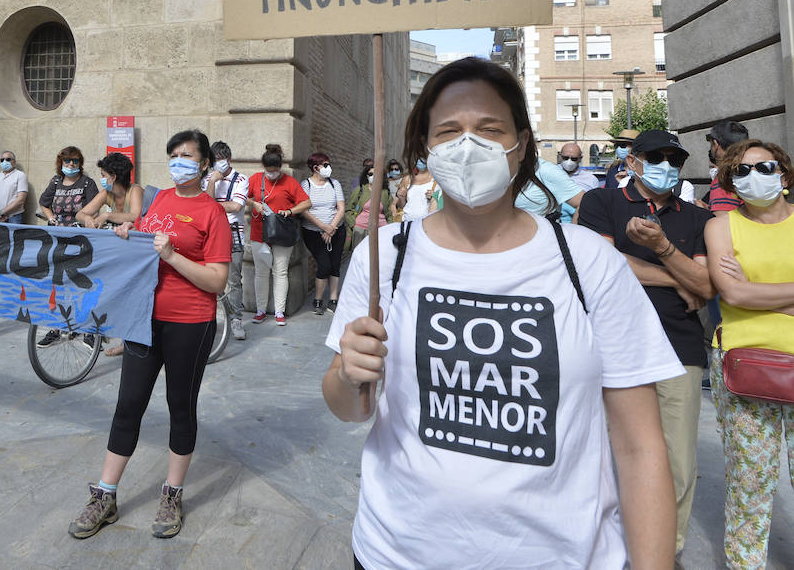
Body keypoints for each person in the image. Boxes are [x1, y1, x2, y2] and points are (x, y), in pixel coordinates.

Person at [324, 58, 681, 568]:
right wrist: (347, 373)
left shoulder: (587, 260)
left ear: (522, 146)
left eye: (489, 130)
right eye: (448, 132)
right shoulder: (384, 255)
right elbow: (348, 407)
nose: (468, 145)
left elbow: (640, 446)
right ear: (425, 149)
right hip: (395, 552)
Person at [68, 129, 230, 541]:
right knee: (128, 405)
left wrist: (173, 256)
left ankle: (172, 494)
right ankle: (105, 495)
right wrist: (127, 234)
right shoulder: (158, 201)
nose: (180, 162)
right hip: (143, 318)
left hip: (190, 323)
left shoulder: (212, 213)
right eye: (173, 154)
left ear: (205, 163)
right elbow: (140, 236)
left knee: (180, 406)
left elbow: (218, 281)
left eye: (188, 156)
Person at [577, 129, 713, 554]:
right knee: (601, 452)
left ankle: (663, 551)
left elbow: (707, 286)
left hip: (679, 347)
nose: (666, 166)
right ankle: (605, 545)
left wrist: (662, 249)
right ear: (633, 161)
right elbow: (602, 263)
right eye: (656, 156)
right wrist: (678, 276)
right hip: (611, 344)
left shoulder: (698, 217)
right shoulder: (602, 202)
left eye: (675, 159)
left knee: (677, 460)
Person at [703, 138, 794, 568]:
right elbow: (733, 292)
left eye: (764, 167)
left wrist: (757, 293)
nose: (753, 176)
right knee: (750, 479)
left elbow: (746, 292)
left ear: (784, 173)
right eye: (740, 170)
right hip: (745, 364)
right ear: (729, 181)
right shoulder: (721, 225)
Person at [75, 152, 146, 356]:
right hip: (117, 247)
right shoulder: (106, 194)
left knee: (132, 294)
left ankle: (128, 341)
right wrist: (88, 220)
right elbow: (82, 213)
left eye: (104, 174)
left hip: (137, 248)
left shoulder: (135, 190)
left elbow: (135, 215)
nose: (102, 178)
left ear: (113, 177)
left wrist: (106, 215)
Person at [246, 143, 310, 326]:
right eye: (268, 170)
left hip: (282, 233)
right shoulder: (256, 179)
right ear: (264, 167)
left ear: (280, 167)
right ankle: (260, 311)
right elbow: (243, 197)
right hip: (259, 232)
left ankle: (279, 312)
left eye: (274, 171)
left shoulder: (289, 182)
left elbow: (306, 203)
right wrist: (254, 204)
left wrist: (290, 211)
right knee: (261, 272)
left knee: (280, 272)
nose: (271, 174)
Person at [205, 141, 249, 342]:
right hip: (211, 233)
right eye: (214, 161)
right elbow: (204, 205)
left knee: (234, 278)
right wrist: (213, 182)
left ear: (228, 160)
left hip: (233, 232)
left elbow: (236, 206)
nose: (217, 165)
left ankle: (236, 319)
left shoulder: (241, 179)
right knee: (210, 277)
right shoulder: (208, 179)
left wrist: (214, 205)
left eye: (220, 161)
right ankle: (212, 319)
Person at [300, 151, 345, 315]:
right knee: (324, 264)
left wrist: (331, 227)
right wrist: (323, 227)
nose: (329, 167)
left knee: (334, 265)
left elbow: (341, 208)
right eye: (325, 165)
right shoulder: (306, 185)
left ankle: (333, 299)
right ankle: (318, 299)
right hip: (313, 232)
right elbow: (304, 210)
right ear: (315, 168)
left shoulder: (335, 184)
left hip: (337, 230)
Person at [344, 161, 394, 267]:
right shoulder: (360, 190)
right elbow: (349, 210)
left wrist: (389, 229)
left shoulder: (385, 192)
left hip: (380, 230)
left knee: (379, 260)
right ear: (366, 176)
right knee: (359, 260)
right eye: (371, 174)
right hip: (360, 230)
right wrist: (354, 225)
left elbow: (389, 214)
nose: (373, 176)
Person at [39, 146, 96, 226]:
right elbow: (43, 203)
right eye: (67, 160)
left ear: (80, 163)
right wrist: (51, 218)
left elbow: (95, 210)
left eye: (75, 161)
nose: (71, 164)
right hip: (56, 231)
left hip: (79, 232)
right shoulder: (56, 181)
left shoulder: (88, 183)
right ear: (61, 162)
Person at [515, 159, 586, 221]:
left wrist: (574, 232)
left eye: (574, 159)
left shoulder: (546, 170)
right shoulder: (507, 171)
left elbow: (584, 204)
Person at [703, 120, 748, 212]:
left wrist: (702, 213)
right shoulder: (752, 170)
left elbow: (722, 220)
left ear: (716, 144)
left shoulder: (724, 178)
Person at [393, 157, 440, 223]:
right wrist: (401, 197)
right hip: (407, 221)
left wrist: (434, 197)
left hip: (425, 223)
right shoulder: (408, 179)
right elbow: (402, 205)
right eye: (418, 157)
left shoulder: (436, 179)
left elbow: (442, 203)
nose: (420, 161)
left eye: (423, 157)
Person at [0, 150, 29, 224]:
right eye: (2, 160)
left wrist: (1, 213)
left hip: (13, 217)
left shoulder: (20, 175)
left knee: (13, 235)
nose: (4, 162)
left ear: (14, 162)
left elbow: (21, 199)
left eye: (8, 159)